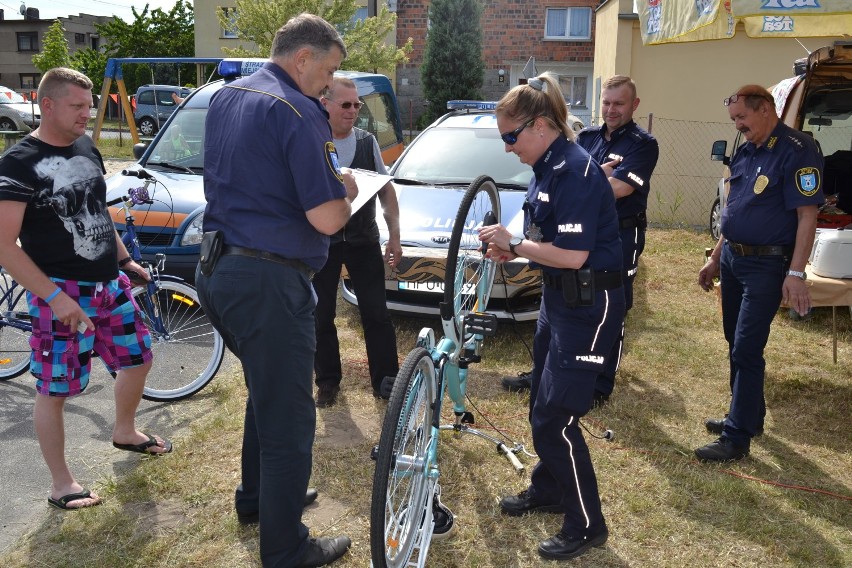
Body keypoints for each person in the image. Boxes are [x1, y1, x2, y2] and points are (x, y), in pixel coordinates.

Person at [194, 14, 355, 567]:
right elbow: (329, 218)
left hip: (218, 269)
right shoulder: (297, 110)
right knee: (290, 418)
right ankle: (285, 548)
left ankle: (258, 500)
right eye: (328, 71)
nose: (330, 86)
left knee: (268, 390)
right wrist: (348, 191)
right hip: (268, 279)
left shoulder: (224, 95)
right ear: (303, 58)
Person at [0, 68, 172, 512]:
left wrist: (125, 260)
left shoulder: (85, 147)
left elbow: (97, 212)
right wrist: (56, 299)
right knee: (55, 389)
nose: (88, 112)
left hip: (108, 283)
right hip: (58, 290)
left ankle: (125, 431)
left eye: (89, 103)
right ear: (48, 105)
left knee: (138, 357)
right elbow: (4, 246)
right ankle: (62, 484)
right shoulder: (18, 163)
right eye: (77, 105)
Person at [478, 74, 625, 561]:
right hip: (559, 303)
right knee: (541, 401)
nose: (507, 147)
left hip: (588, 306)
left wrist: (515, 244)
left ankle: (586, 524)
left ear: (539, 125)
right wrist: (513, 248)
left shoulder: (575, 171)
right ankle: (551, 488)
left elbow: (576, 255)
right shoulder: (547, 165)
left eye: (510, 136)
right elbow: (544, 238)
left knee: (555, 418)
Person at [501, 75, 658, 406]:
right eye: (606, 102)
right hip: (572, 250)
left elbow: (619, 188)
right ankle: (555, 375)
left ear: (634, 105)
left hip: (619, 233)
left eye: (619, 103)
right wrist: (598, 175)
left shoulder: (642, 144)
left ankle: (598, 381)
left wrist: (593, 180)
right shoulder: (586, 138)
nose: (611, 110)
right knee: (553, 356)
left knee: (614, 310)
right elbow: (585, 180)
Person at [696, 85, 823, 462]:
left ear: (766, 109)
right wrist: (716, 256)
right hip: (734, 257)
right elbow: (735, 207)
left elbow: (807, 216)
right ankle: (748, 415)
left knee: (747, 347)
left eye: (742, 119)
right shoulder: (746, 149)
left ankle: (737, 438)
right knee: (734, 340)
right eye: (734, 120)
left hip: (768, 264)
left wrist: (796, 273)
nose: (738, 126)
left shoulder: (799, 150)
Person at [313, 76, 401, 407]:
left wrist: (394, 235)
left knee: (376, 312)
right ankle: (327, 381)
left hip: (363, 239)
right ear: (326, 103)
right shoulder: (314, 142)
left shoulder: (367, 142)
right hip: (323, 241)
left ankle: (386, 380)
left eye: (357, 105)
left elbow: (385, 190)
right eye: (346, 104)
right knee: (321, 314)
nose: (353, 111)